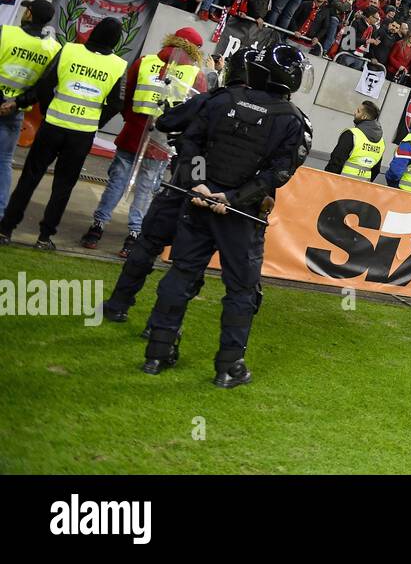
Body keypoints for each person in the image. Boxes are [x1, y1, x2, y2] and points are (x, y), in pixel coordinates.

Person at [140, 43, 313, 386]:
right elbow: (278, 174)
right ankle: (228, 366)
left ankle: (157, 353)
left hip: (199, 204)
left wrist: (200, 185)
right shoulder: (293, 121)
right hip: (240, 216)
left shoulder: (221, 101)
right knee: (242, 291)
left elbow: (189, 143)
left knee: (182, 274)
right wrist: (232, 197)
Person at [100, 47, 259, 323]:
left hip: (185, 188)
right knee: (189, 266)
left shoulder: (213, 100)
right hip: (222, 200)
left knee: (148, 245)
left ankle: (119, 303)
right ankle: (162, 328)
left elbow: (166, 121)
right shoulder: (271, 115)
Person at [0, 18, 126, 250]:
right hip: (82, 133)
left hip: (54, 124)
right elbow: (116, 103)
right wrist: (96, 120)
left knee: (29, 178)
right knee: (63, 186)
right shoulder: (119, 65)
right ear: (117, 40)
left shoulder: (69, 49)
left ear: (95, 31)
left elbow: (46, 84)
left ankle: (6, 229)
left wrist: (49, 109)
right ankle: (45, 237)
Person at [80, 27, 205, 253]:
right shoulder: (196, 75)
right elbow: (196, 113)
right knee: (147, 188)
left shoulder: (145, 62)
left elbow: (126, 97)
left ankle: (97, 226)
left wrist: (132, 120)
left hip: (133, 133)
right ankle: (134, 234)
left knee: (116, 182)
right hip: (161, 141)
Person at [0, 0, 59, 218]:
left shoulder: (5, 32)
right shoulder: (53, 49)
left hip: (5, 105)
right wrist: (16, 104)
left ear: (29, 14)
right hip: (15, 110)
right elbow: (44, 86)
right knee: (4, 162)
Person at [324, 100, 384, 181]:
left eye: (358, 111)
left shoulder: (351, 134)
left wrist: (327, 181)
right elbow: (376, 170)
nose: (355, 112)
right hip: (361, 188)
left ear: (364, 117)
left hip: (341, 185)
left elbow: (336, 162)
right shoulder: (381, 141)